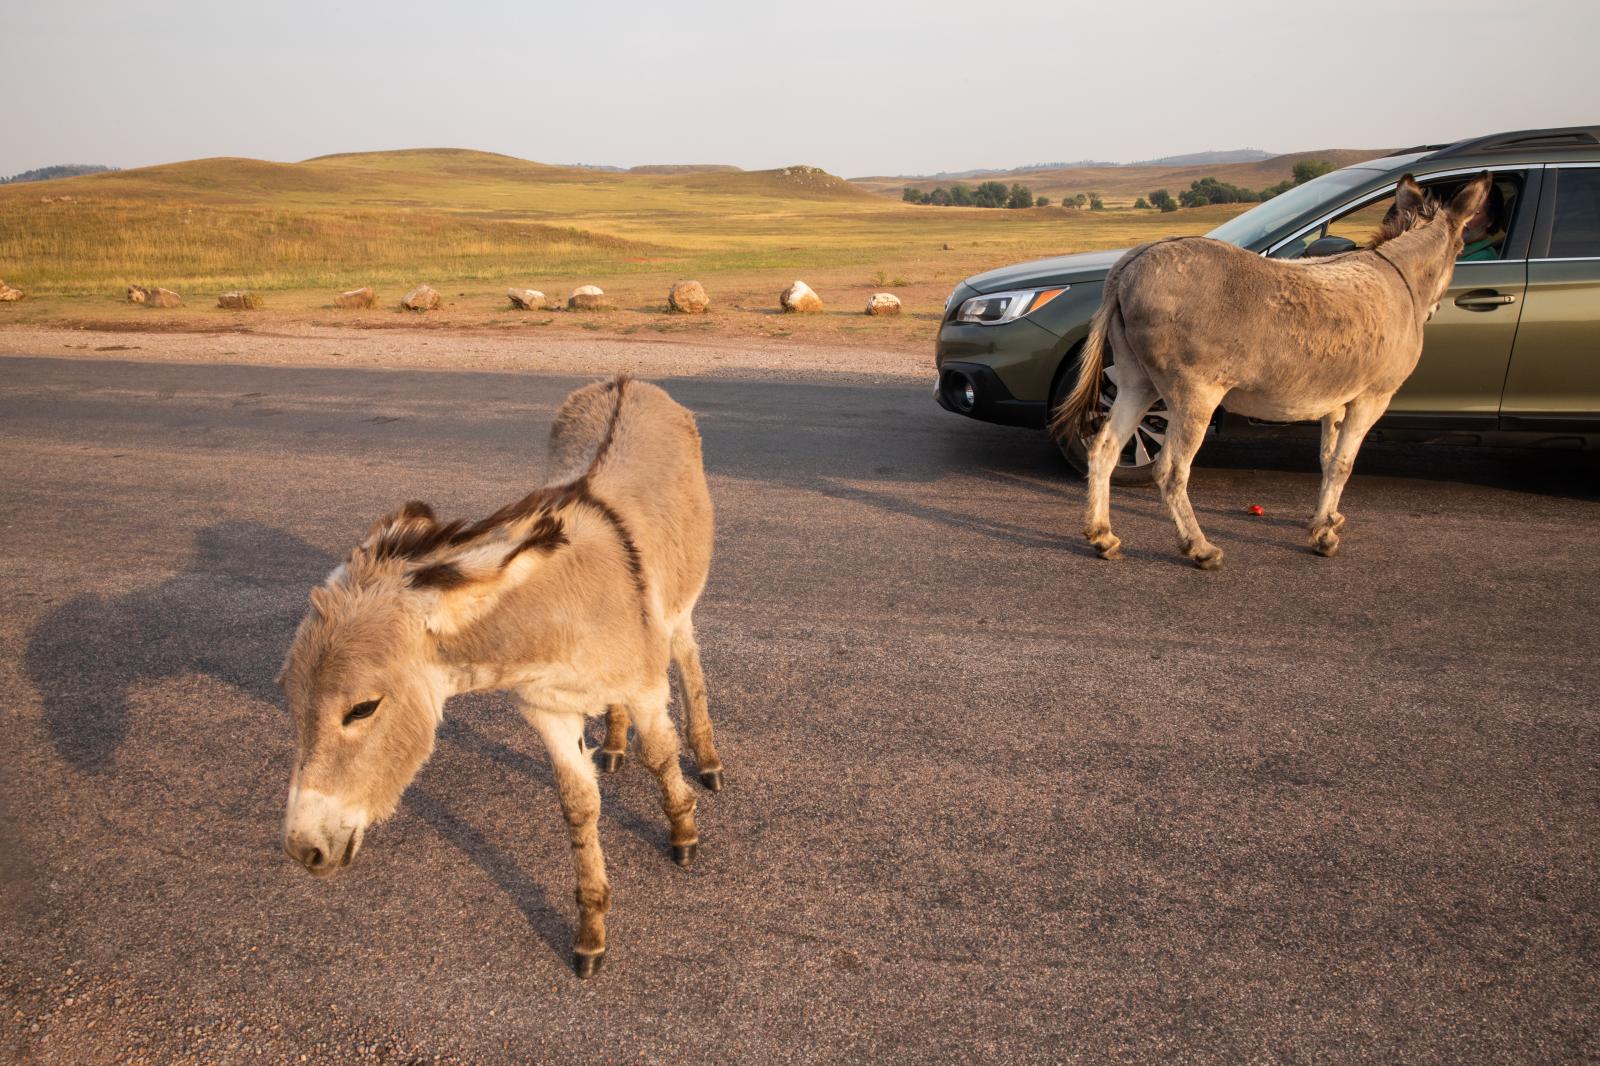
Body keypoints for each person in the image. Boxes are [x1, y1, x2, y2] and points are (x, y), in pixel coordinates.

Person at [1458, 182, 1507, 261]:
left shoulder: (1483, 258)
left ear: (1490, 221)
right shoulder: (1459, 249)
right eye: (1461, 210)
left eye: (1474, 213)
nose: (1463, 218)